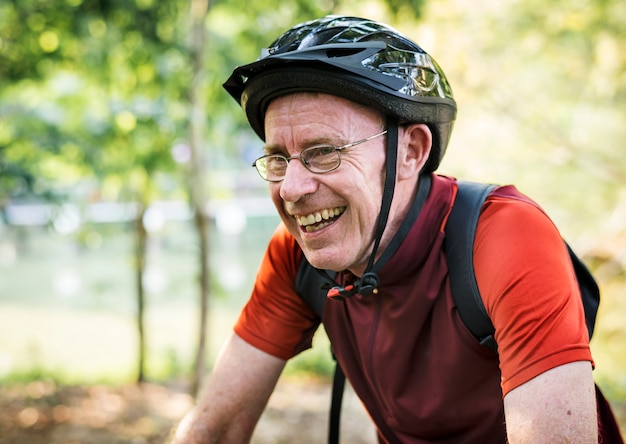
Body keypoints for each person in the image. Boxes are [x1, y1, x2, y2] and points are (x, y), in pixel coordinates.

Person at [173, 15, 619, 443]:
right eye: (277, 159)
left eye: (324, 151)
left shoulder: (505, 236)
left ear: (411, 152)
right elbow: (215, 429)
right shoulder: (297, 255)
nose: (291, 188)